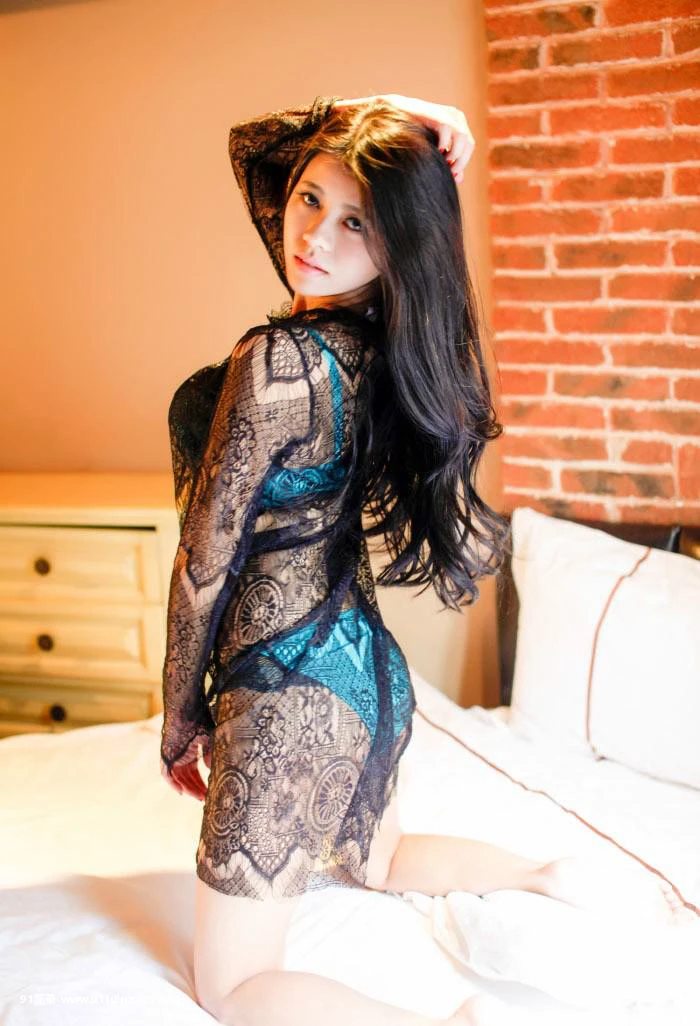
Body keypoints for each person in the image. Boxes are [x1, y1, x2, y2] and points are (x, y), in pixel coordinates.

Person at [158, 94, 669, 1026]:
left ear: (396, 246)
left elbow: (203, 563)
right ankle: (547, 876)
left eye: (357, 223)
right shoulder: (380, 345)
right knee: (382, 861)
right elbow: (262, 149)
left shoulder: (280, 361)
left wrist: (179, 713)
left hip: (284, 690)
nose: (313, 236)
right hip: (367, 677)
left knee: (227, 985)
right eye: (309, 200)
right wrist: (406, 120)